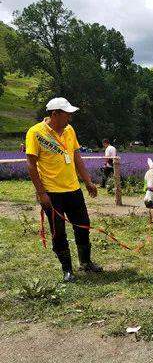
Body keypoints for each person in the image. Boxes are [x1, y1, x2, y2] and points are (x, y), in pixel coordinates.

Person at [25, 97, 103, 283]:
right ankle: (67, 269)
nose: (70, 118)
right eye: (67, 114)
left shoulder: (69, 130)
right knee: (58, 232)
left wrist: (88, 181)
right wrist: (41, 193)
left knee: (83, 226)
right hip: (52, 193)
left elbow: (76, 158)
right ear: (55, 114)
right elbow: (31, 165)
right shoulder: (35, 133)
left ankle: (85, 262)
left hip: (73, 190)